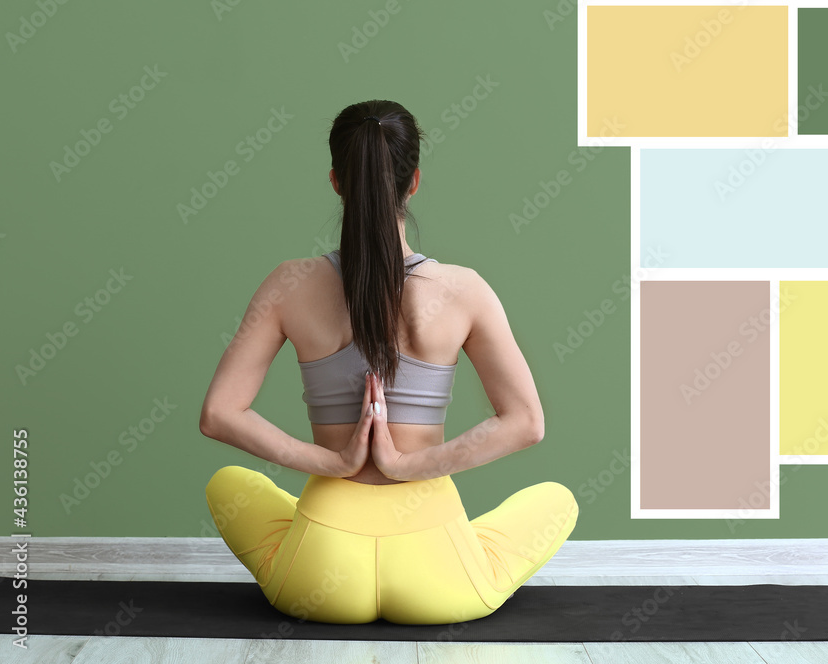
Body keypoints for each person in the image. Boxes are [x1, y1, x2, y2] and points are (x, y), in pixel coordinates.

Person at [199, 99, 578, 625]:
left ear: (336, 181)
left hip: (321, 579)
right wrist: (407, 466)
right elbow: (526, 424)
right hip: (436, 576)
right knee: (556, 501)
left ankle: (309, 551)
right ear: (414, 181)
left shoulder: (288, 283)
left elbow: (218, 414)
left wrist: (331, 463)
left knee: (228, 485)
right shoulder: (464, 289)